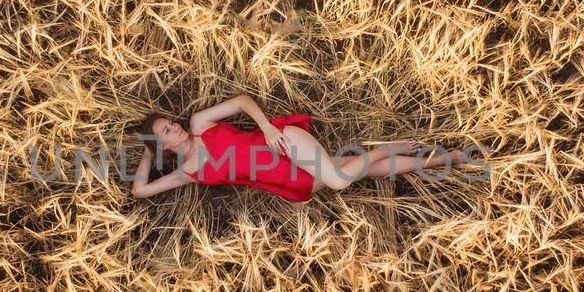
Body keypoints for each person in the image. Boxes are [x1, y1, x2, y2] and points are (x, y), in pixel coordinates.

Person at [128, 94, 467, 202]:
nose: (174, 126)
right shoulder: (188, 172)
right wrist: (146, 154)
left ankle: (389, 148)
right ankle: (445, 160)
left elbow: (244, 102)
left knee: (339, 180)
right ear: (165, 146)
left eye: (170, 122)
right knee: (356, 172)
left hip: (283, 143)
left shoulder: (200, 123)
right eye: (166, 132)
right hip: (286, 180)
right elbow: (140, 191)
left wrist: (265, 125)